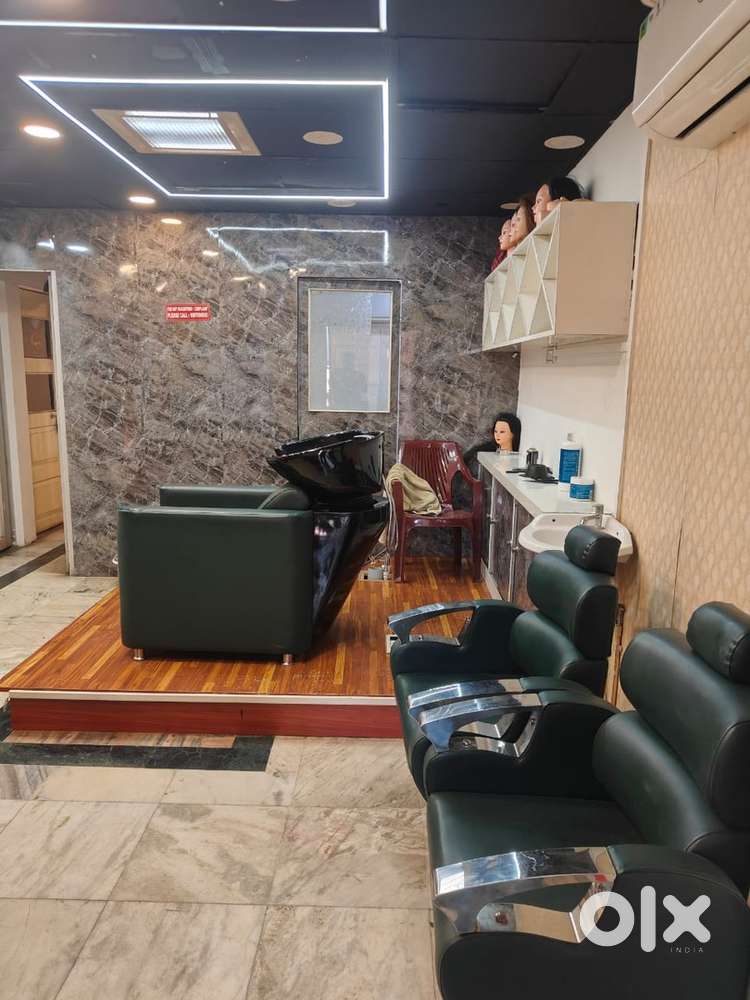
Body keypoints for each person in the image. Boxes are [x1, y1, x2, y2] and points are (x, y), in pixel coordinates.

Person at [463, 411, 522, 476]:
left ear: (513, 434)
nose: (497, 435)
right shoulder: (487, 451)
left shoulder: (515, 460)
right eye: (495, 431)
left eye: (502, 432)